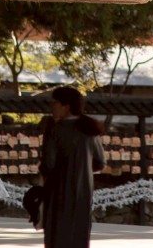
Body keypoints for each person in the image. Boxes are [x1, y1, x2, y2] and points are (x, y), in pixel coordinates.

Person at [40, 86, 106, 248]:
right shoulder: (90, 129)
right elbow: (100, 162)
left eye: (54, 102)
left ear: (66, 106)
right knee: (79, 235)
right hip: (84, 191)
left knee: (58, 235)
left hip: (58, 191)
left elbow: (48, 164)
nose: (51, 106)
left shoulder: (56, 129)